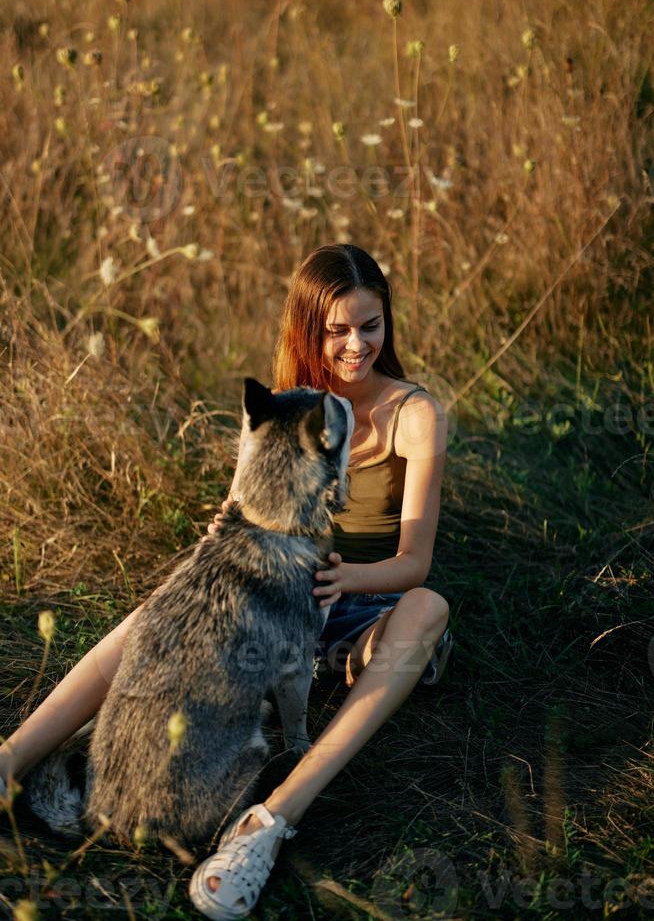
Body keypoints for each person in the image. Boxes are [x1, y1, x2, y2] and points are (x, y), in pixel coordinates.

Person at [0, 243, 452, 921]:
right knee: (157, 610)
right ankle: (10, 761)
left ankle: (264, 826)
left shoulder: (415, 415)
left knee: (429, 607)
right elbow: (250, 509)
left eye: (371, 325)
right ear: (308, 330)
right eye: (338, 330)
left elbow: (415, 560)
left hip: (363, 607)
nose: (357, 344)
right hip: (273, 609)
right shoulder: (283, 405)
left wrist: (340, 578)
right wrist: (227, 533)